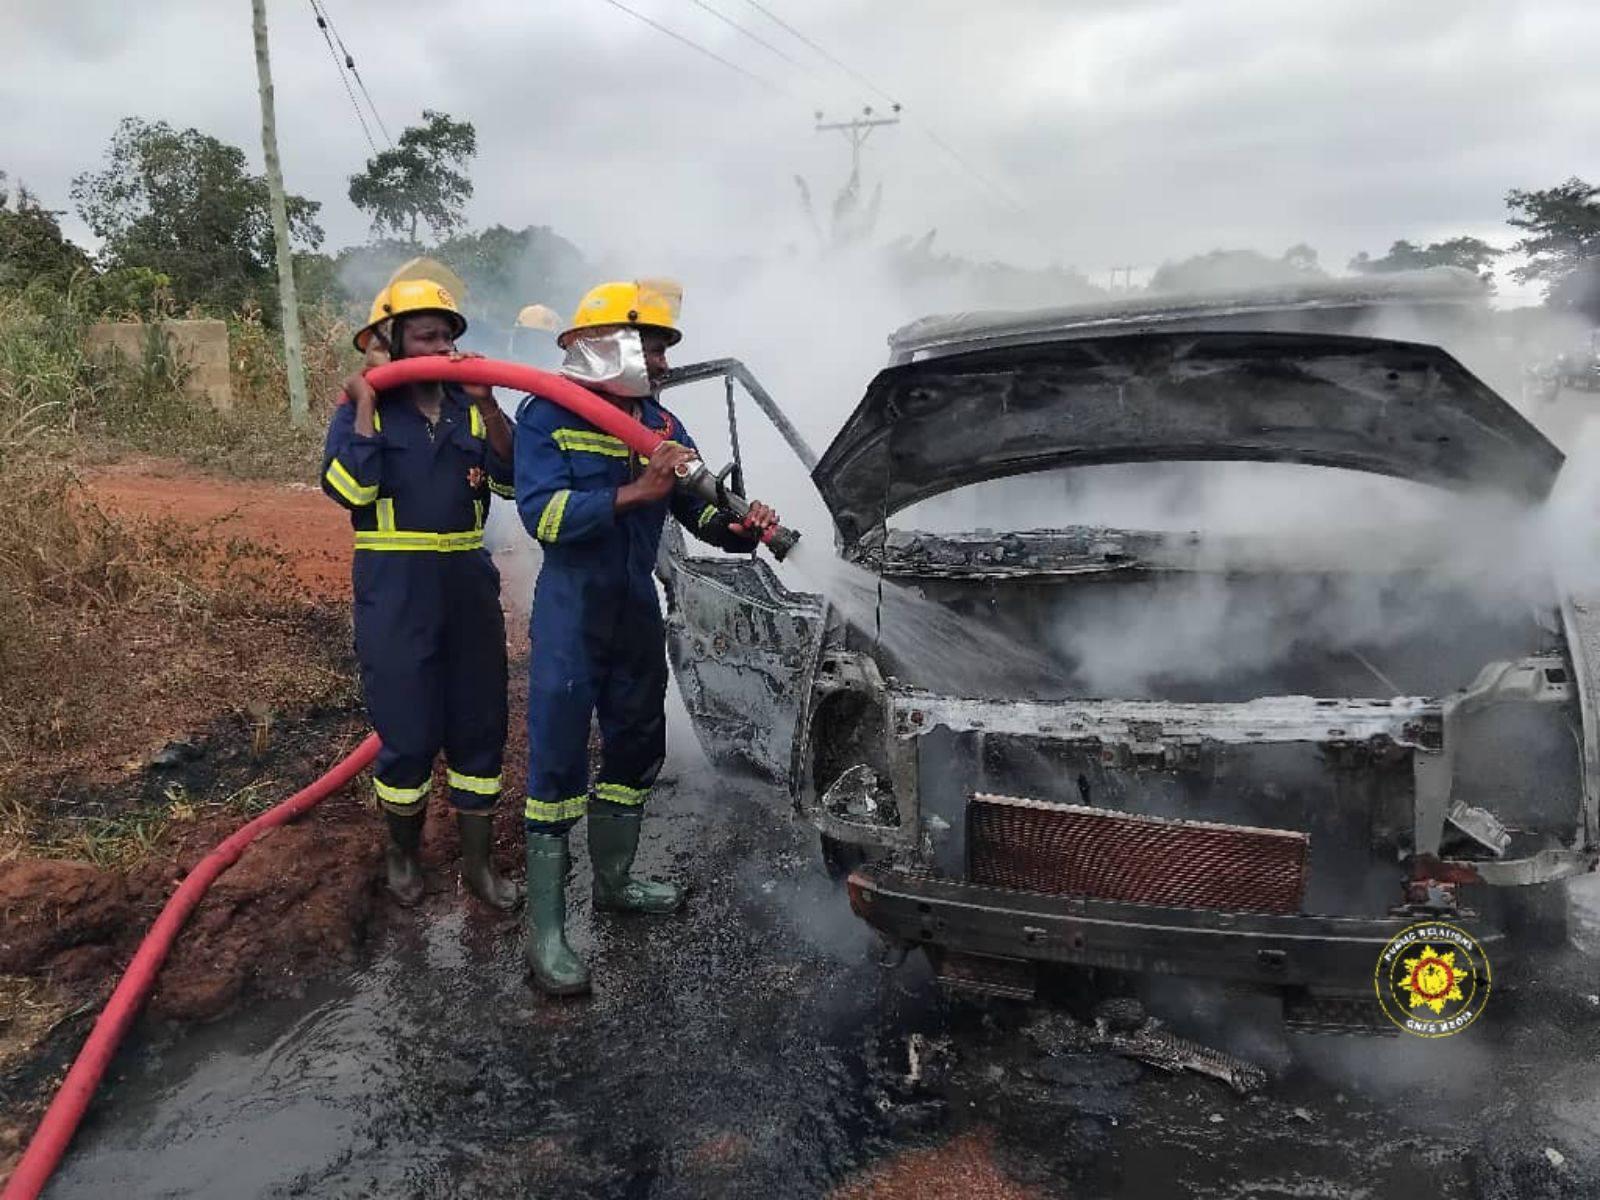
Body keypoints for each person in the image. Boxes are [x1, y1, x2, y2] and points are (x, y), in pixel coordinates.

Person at [514, 280, 779, 994]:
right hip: (572, 606)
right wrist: (637, 492)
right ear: (611, 345)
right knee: (559, 757)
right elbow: (541, 515)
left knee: (635, 742)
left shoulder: (662, 425)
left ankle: (615, 883)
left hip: (632, 601)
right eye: (653, 347)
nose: (662, 363)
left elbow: (697, 515)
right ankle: (547, 933)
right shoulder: (546, 416)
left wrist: (739, 525)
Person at [321, 277, 519, 910]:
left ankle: (480, 866)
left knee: (479, 724)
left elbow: (515, 484)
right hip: (396, 587)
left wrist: (488, 406)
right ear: (391, 343)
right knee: (406, 730)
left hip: (466, 583)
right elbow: (350, 493)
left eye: (446, 334)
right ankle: (403, 853)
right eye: (423, 335)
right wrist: (363, 403)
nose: (439, 345)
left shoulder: (469, 409)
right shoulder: (364, 411)